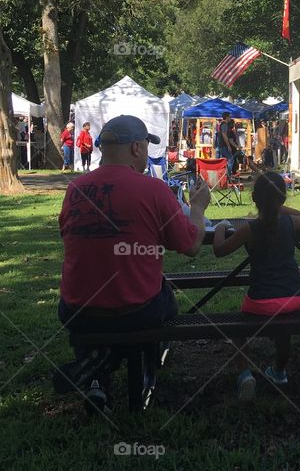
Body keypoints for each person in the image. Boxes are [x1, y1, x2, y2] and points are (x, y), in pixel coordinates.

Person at [58, 115, 210, 411]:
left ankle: (97, 377)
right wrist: (198, 209)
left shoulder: (75, 189)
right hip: (136, 311)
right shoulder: (154, 190)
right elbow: (191, 246)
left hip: (77, 310)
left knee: (103, 309)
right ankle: (139, 360)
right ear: (138, 148)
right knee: (163, 299)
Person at [212, 172, 300, 400]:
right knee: (285, 331)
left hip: (260, 302)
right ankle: (279, 371)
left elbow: (219, 251)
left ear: (254, 198)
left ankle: (245, 374)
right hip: (294, 299)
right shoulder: (289, 223)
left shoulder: (249, 229)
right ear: (283, 200)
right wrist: (279, 208)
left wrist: (219, 229)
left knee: (239, 330)